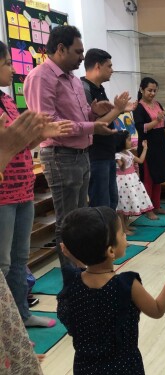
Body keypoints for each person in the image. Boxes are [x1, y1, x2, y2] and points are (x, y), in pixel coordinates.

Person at [23, 25, 133, 285]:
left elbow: (80, 117)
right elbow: (49, 124)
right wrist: (91, 125)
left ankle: (83, 274)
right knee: (68, 222)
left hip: (81, 153)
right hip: (61, 155)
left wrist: (95, 112)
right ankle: (72, 282)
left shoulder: (71, 78)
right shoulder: (42, 77)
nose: (83, 57)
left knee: (79, 217)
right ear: (60, 49)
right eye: (78, 51)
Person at [56, 207, 165, 374]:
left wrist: (75, 255)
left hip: (85, 368)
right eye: (121, 234)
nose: (125, 237)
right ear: (111, 251)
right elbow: (157, 310)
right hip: (124, 367)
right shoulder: (126, 285)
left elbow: (81, 270)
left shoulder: (72, 283)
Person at [0, 40, 73, 331]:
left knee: (19, 259)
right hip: (3, 196)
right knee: (2, 265)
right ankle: (7, 331)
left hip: (22, 190)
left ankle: (20, 318)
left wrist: (41, 133)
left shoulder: (5, 100)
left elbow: (19, 145)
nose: (11, 69)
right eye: (7, 63)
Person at [81, 48, 136, 209]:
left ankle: (112, 234)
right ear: (98, 66)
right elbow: (94, 126)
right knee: (101, 204)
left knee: (112, 201)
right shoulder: (84, 88)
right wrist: (118, 110)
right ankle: (103, 235)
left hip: (107, 153)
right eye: (109, 66)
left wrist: (121, 109)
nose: (112, 70)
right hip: (95, 155)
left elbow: (104, 117)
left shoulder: (99, 87)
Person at [133, 77, 165, 219]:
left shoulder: (157, 104)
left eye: (154, 90)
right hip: (147, 146)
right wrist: (156, 120)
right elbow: (141, 128)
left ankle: (156, 206)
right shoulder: (138, 107)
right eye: (149, 90)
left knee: (158, 178)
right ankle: (147, 209)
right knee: (148, 179)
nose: (152, 93)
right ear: (142, 90)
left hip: (160, 145)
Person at [115, 131, 154, 235]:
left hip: (132, 181)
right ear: (121, 141)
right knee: (122, 206)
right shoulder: (118, 155)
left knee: (128, 202)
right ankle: (122, 229)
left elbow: (140, 160)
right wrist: (122, 163)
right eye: (128, 139)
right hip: (123, 182)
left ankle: (126, 225)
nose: (131, 141)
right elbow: (121, 168)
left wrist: (145, 148)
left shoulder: (129, 153)